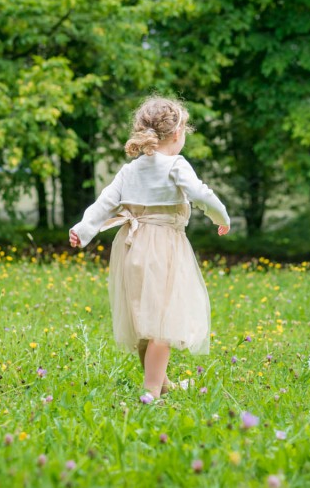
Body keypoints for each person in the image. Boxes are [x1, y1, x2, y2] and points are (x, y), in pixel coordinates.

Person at [69, 97, 230, 401]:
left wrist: (82, 229)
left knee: (145, 318)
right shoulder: (176, 165)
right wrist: (221, 217)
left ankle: (161, 381)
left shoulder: (131, 169)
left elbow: (105, 202)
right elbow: (200, 193)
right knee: (162, 322)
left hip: (131, 249)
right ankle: (151, 391)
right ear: (178, 133)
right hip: (164, 247)